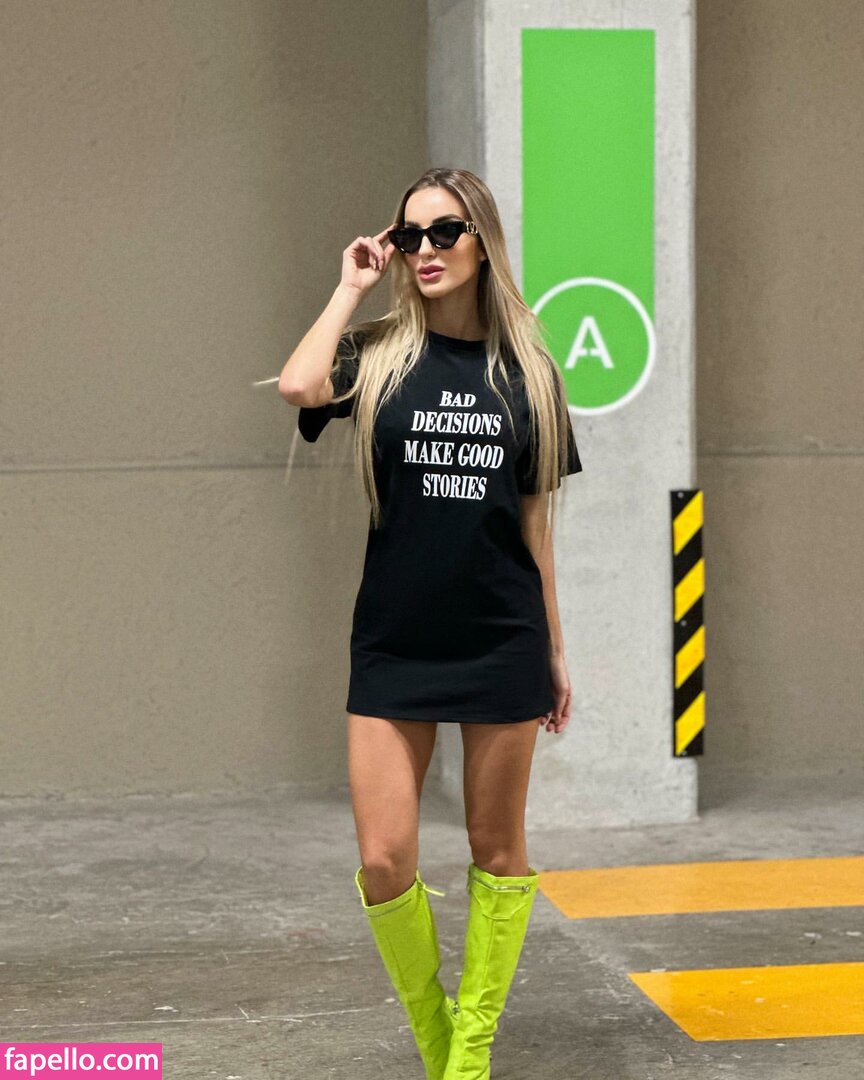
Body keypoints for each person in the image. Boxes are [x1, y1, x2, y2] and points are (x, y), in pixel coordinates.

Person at [278, 167, 583, 1079]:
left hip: (500, 639)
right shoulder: (378, 355)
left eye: (444, 232)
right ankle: (439, 1041)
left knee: (498, 849)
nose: (425, 251)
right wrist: (351, 286)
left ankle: (469, 1058)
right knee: (384, 860)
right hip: (395, 642)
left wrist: (554, 650)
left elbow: (534, 528)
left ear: (482, 242)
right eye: (409, 235)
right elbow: (298, 384)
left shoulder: (529, 375)